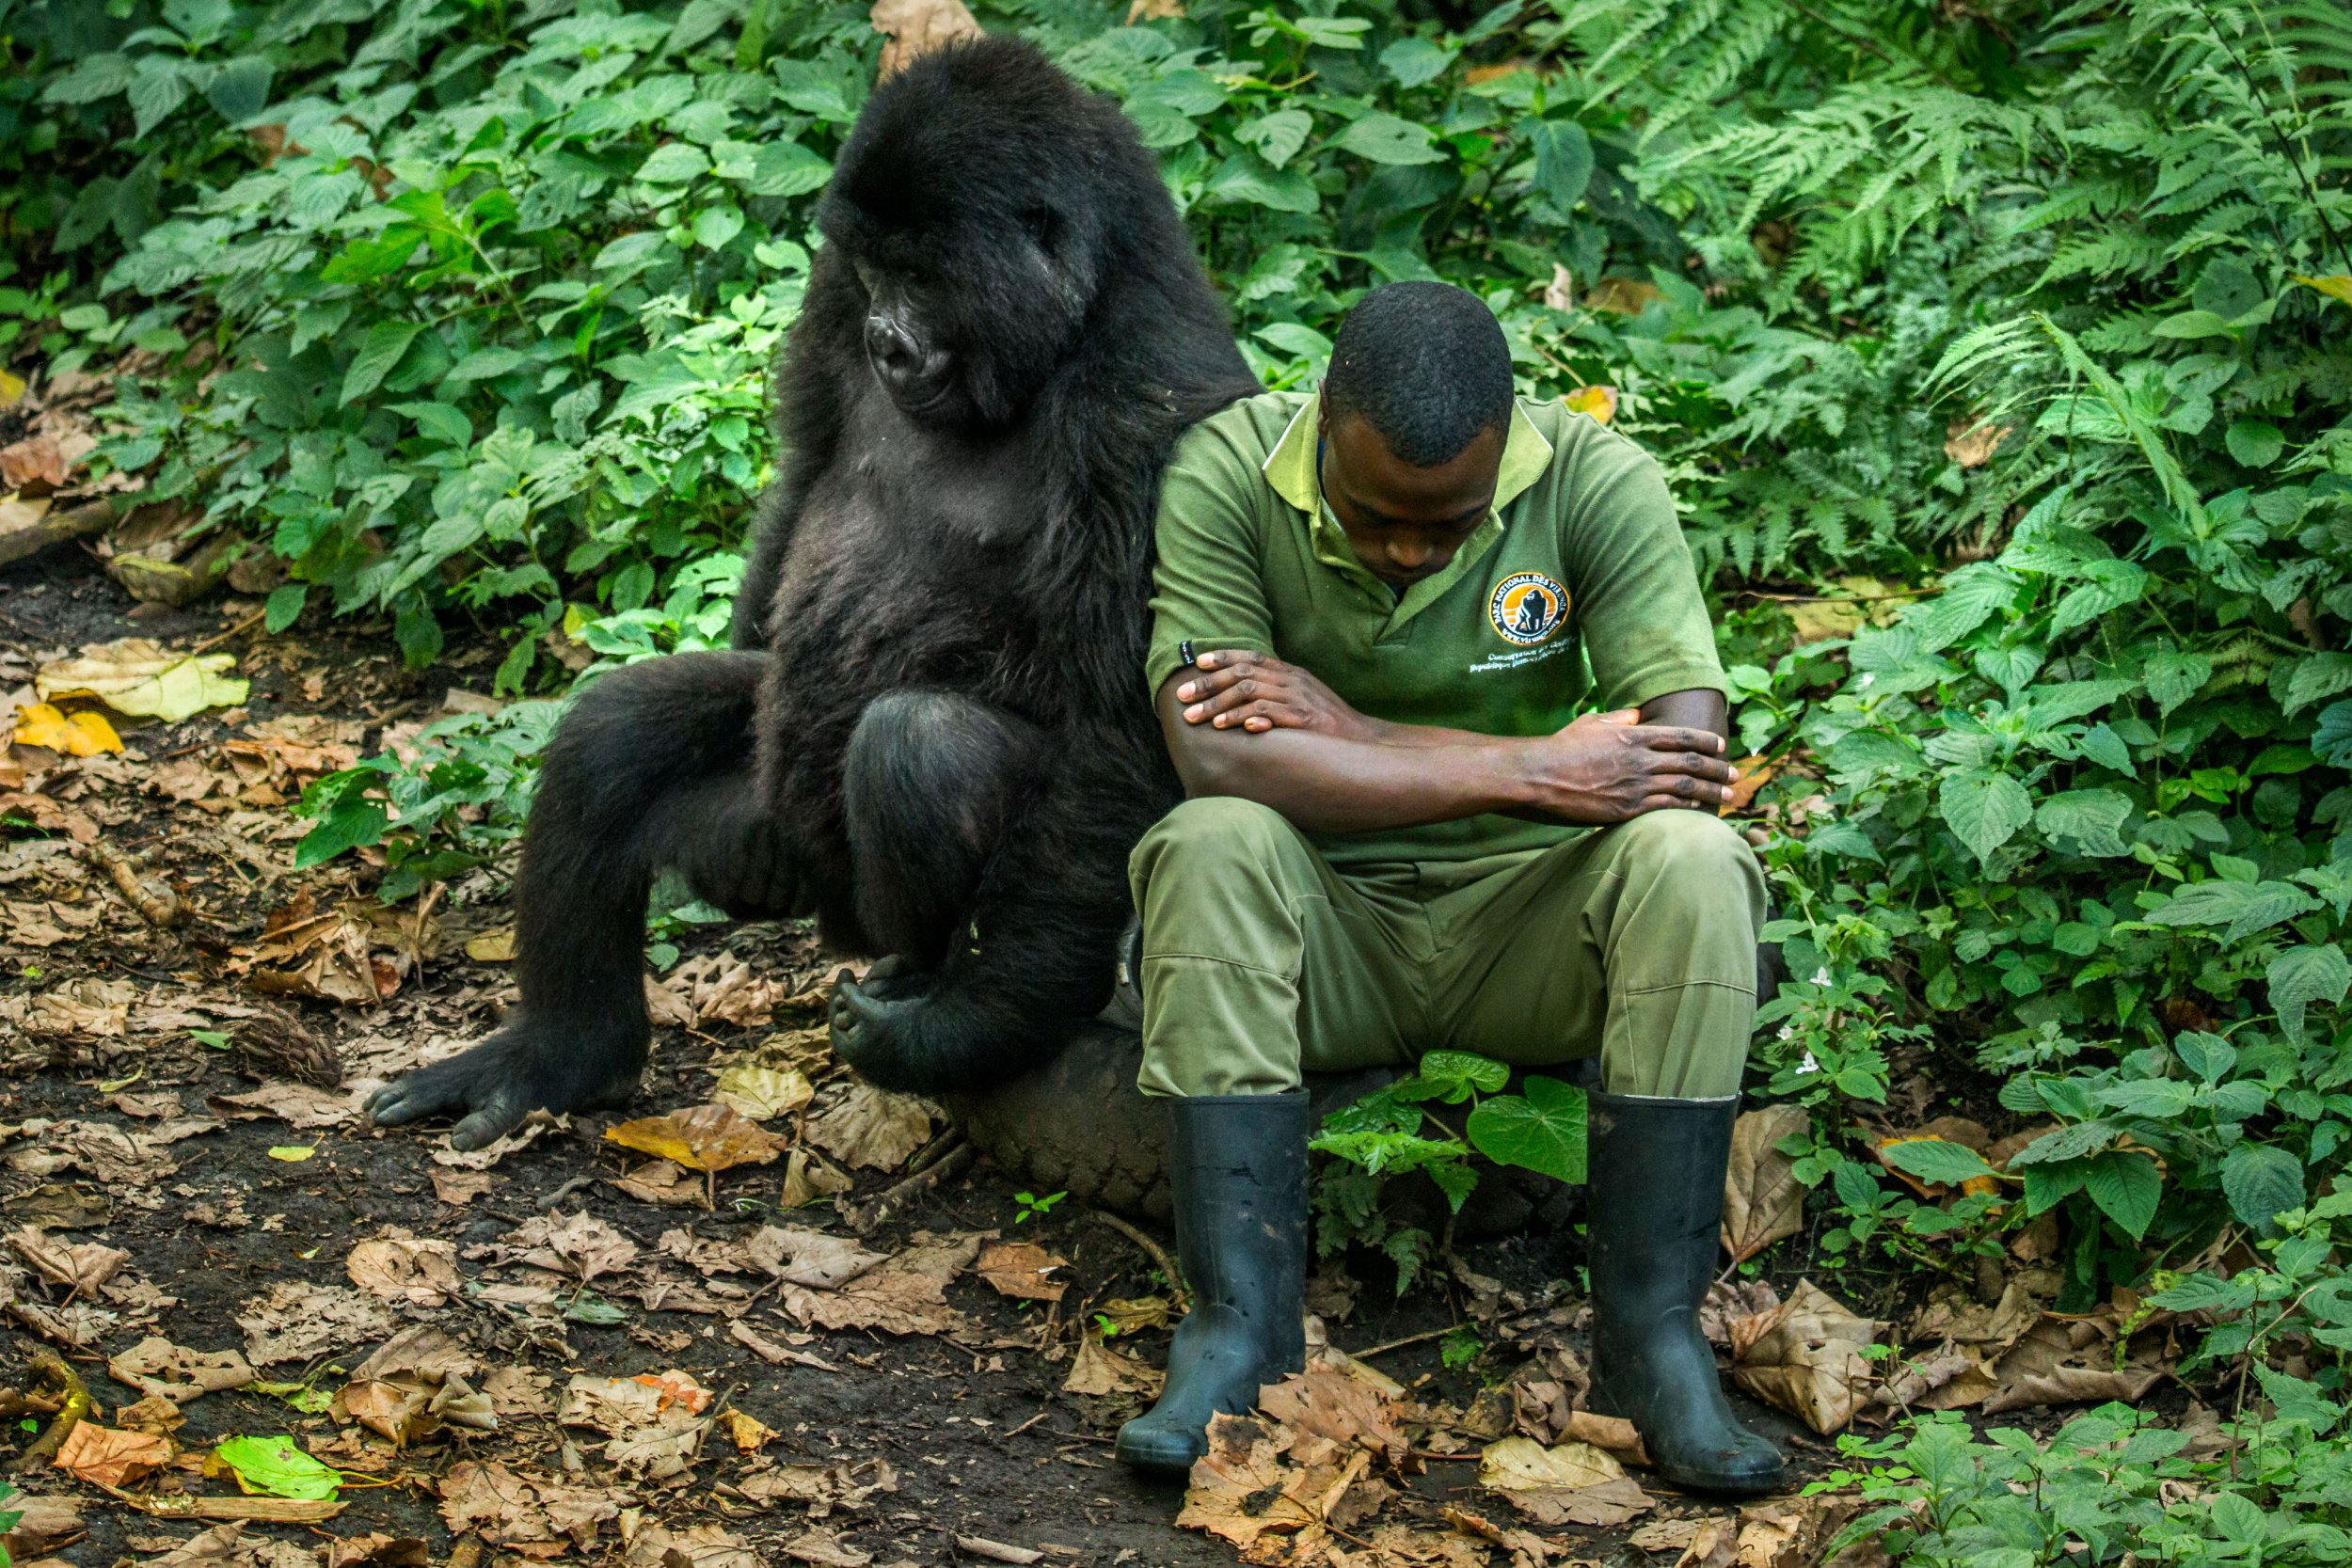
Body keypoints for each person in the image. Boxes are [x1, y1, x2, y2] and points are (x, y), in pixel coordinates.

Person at [1111, 281, 1784, 1496]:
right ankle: (1237, 1333)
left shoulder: (1594, 478)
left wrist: (1358, 735)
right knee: (1211, 838)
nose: (1410, 551)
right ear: (1323, 423)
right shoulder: (1230, 469)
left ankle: (1652, 1344)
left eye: (1452, 525)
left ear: (1507, 450)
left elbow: (1684, 765)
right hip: (1316, 939)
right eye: (1375, 517)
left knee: (1694, 862)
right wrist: (1537, 767)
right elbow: (1220, 759)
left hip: (1533, 937)